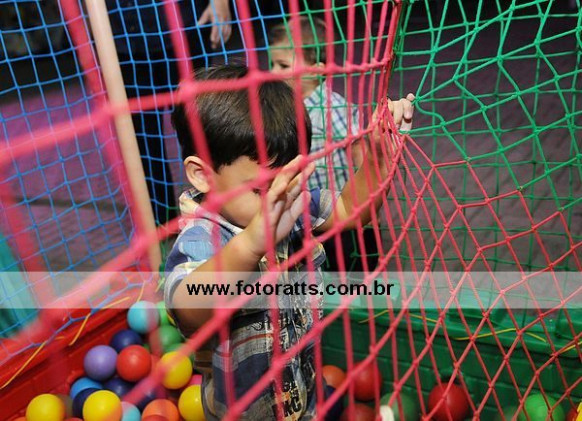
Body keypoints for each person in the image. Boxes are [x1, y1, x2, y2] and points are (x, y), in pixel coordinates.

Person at [165, 64, 414, 420]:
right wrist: (251, 244)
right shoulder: (202, 237)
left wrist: (376, 160)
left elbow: (349, 209)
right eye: (261, 189)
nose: (279, 198)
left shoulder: (288, 203)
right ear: (202, 175)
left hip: (302, 393)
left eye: (292, 179)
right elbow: (187, 309)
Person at [268, 16, 415, 272]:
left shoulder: (331, 107)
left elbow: (360, 151)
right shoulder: (287, 109)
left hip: (342, 211)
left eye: (282, 65)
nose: (273, 72)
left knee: (353, 271)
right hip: (311, 213)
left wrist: (371, 207)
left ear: (316, 70)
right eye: (272, 64)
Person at [106, 0, 232, 226]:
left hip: (186, 25)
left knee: (202, 124)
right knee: (141, 139)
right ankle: (162, 223)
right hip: (123, 38)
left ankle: (221, 213)